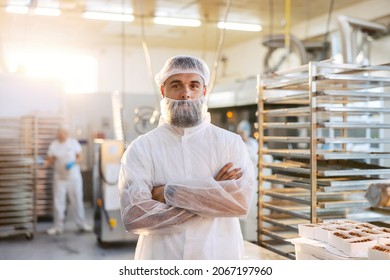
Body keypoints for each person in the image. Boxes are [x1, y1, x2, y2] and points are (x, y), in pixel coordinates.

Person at [118, 55, 256, 260]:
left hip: (219, 258)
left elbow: (240, 201)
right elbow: (135, 216)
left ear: (204, 91)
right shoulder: (142, 148)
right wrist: (213, 194)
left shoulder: (230, 143)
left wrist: (167, 192)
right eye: (176, 85)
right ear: (163, 90)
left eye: (194, 85)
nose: (186, 94)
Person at [45, 125, 91, 235]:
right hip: (59, 178)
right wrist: (44, 162)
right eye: (60, 132)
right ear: (57, 134)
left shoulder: (73, 143)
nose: (62, 134)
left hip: (73, 177)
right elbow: (50, 160)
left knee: (77, 201)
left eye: (64, 132)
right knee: (58, 202)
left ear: (67, 133)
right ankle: (58, 227)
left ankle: (81, 224)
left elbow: (80, 157)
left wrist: (73, 162)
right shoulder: (54, 145)